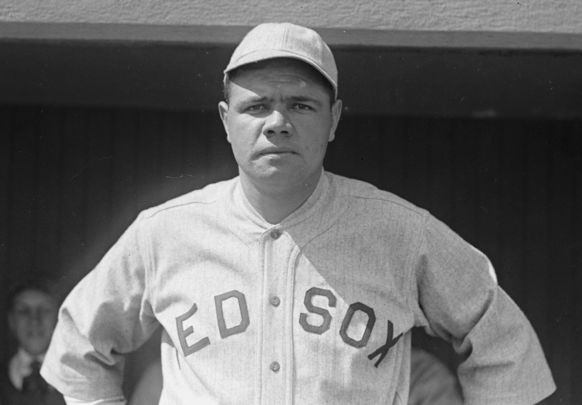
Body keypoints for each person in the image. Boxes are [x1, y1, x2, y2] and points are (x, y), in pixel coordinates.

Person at [41, 22, 556, 404]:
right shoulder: (166, 232)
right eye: (256, 106)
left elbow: (503, 342)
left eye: (301, 105)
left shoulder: (402, 232)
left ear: (334, 119)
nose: (277, 123)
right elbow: (79, 347)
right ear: (226, 120)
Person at [1, 279, 65, 405]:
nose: (34, 320)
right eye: (23, 310)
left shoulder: (79, 378)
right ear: (12, 320)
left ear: (58, 317)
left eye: (45, 310)